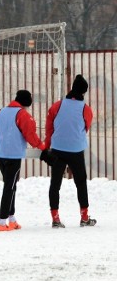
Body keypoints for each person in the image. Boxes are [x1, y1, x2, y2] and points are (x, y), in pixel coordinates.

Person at [0, 90, 47, 232]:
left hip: (0, 155)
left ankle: (12, 218)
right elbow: (31, 135)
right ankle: (2, 222)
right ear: (27, 102)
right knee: (9, 187)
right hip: (13, 155)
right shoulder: (23, 115)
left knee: (11, 185)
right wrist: (42, 147)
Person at [44, 74, 96, 228]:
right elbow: (85, 127)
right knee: (81, 182)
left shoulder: (57, 105)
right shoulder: (86, 109)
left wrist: (47, 145)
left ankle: (55, 218)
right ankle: (84, 217)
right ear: (84, 92)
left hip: (58, 149)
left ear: (71, 88)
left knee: (55, 184)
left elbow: (49, 128)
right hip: (76, 150)